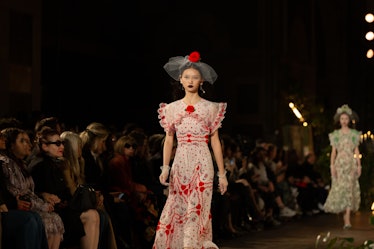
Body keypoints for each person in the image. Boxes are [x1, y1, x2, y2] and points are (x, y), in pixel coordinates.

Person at [153, 51, 228, 249]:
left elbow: (215, 142)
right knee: (177, 206)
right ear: (180, 79)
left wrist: (222, 174)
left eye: (195, 77)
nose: (190, 81)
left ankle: (192, 245)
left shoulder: (211, 108)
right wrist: (165, 167)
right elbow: (169, 140)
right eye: (187, 77)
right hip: (181, 163)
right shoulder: (171, 109)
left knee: (198, 208)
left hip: (202, 162)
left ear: (201, 80)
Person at [323, 104, 362, 229]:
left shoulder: (354, 134)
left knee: (349, 189)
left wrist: (359, 165)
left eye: (346, 118)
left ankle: (347, 220)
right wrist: (332, 166)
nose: (344, 121)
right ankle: (345, 216)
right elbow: (334, 152)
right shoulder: (335, 135)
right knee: (341, 189)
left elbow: (356, 150)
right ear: (339, 120)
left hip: (350, 164)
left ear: (349, 120)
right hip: (340, 164)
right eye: (342, 119)